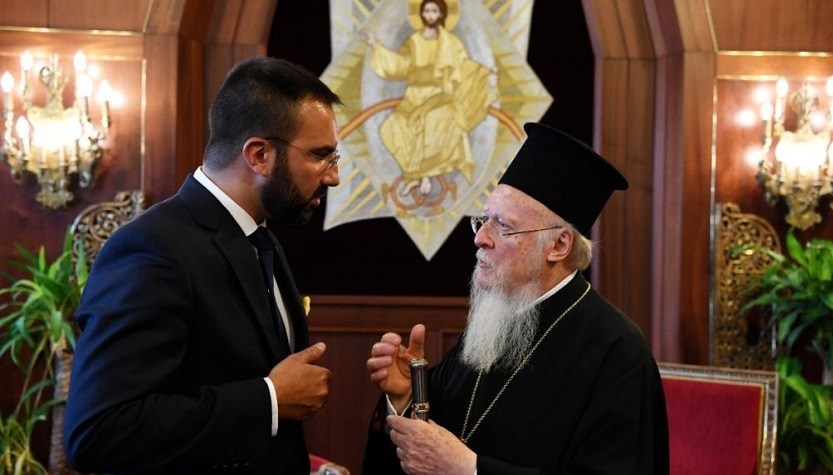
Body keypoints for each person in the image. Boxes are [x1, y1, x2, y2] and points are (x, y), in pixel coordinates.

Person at [64, 57, 347, 473]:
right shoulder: (151, 249)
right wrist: (267, 400)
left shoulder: (262, 240)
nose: (333, 176)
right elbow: (99, 431)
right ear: (259, 155)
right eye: (321, 156)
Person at [363, 122, 669, 474]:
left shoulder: (618, 353)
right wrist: (407, 397)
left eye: (504, 227)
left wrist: (471, 469)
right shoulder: (494, 320)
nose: (481, 238)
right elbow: (435, 440)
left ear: (559, 245)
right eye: (483, 220)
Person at [361, 0, 495, 197]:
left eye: (434, 11)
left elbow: (464, 66)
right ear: (422, 15)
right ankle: (414, 175)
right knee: (391, 128)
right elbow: (400, 65)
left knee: (431, 123)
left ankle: (423, 177)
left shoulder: (451, 42)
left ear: (441, 14)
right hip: (413, 97)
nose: (430, 15)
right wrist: (376, 46)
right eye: (427, 11)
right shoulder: (414, 41)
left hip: (440, 98)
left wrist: (485, 74)